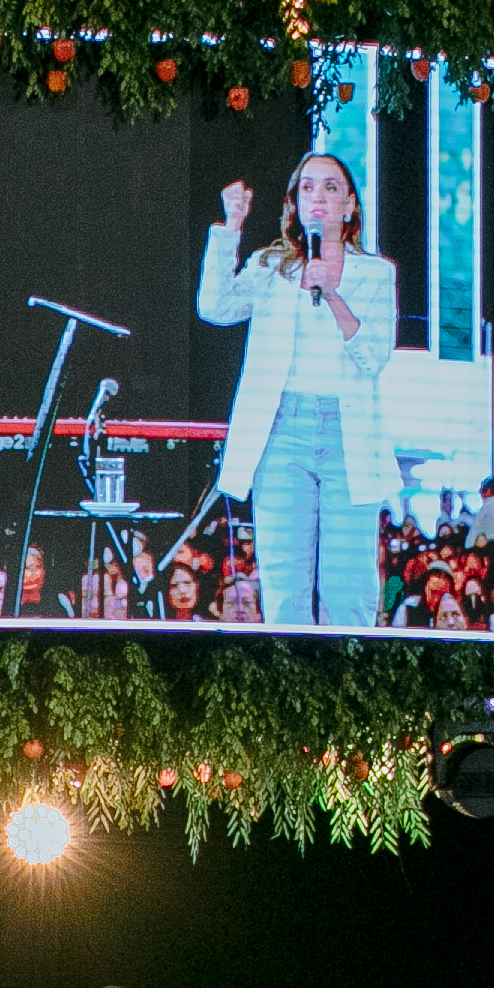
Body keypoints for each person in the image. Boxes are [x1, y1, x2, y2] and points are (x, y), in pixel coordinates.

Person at [194, 152, 395, 631]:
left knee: (350, 591)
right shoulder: (271, 267)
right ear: (294, 204)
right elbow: (215, 307)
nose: (319, 197)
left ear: (349, 205)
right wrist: (231, 229)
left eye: (330, 187)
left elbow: (374, 356)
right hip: (282, 433)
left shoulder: (376, 273)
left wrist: (334, 293)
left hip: (349, 439)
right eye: (307, 187)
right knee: (285, 587)